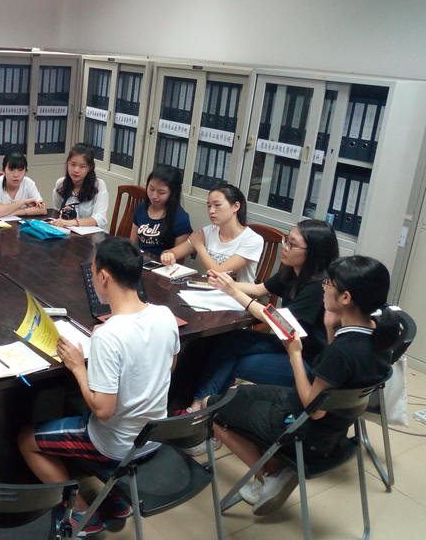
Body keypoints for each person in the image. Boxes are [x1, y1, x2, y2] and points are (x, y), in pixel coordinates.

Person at [205, 255, 396, 516]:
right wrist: (330, 327)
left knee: (211, 406)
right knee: (237, 392)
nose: (324, 287)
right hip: (335, 429)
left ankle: (268, 475)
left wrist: (294, 353)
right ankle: (276, 468)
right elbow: (336, 379)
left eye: (329, 283)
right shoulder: (380, 335)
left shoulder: (342, 352)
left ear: (346, 297)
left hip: (305, 431)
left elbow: (313, 409)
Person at [18, 237, 179, 536]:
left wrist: (78, 367)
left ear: (104, 276)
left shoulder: (108, 336)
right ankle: (117, 500)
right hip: (154, 435)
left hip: (117, 444)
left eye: (92, 274)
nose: (91, 280)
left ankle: (79, 513)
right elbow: (169, 366)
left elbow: (103, 410)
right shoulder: (165, 315)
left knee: (26, 439)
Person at [179, 221, 339, 455]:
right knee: (228, 340)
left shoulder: (317, 285)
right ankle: (200, 407)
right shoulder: (293, 271)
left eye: (292, 244)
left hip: (305, 360)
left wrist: (234, 292)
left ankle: (207, 421)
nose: (285, 247)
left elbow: (280, 323)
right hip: (287, 345)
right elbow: (260, 289)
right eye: (286, 240)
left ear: (313, 252)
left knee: (232, 361)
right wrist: (225, 284)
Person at [160, 182, 263, 283]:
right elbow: (173, 252)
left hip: (237, 293)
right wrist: (167, 254)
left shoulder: (252, 240)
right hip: (209, 289)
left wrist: (199, 246)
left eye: (217, 205)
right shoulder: (208, 231)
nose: (211, 211)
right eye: (209, 206)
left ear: (236, 206)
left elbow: (218, 274)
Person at [130, 164, 192, 257]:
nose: (154, 196)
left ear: (172, 193)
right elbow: (133, 245)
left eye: (161, 192)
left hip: (163, 264)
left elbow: (179, 259)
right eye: (151, 189)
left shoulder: (181, 218)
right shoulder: (142, 207)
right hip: (139, 260)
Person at [51, 143, 108, 229]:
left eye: (82, 166)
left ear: (89, 168)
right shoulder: (61, 184)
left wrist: (72, 222)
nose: (76, 170)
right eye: (73, 164)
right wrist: (64, 212)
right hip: (69, 232)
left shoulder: (98, 185)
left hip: (93, 235)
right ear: (67, 163)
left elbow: (100, 219)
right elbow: (57, 210)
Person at [0, 152, 47, 217]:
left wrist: (16, 212)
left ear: (25, 171)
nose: (16, 175)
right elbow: (0, 211)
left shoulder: (29, 183)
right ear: (3, 171)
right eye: (11, 170)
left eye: (20, 170)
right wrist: (24, 201)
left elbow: (43, 209)